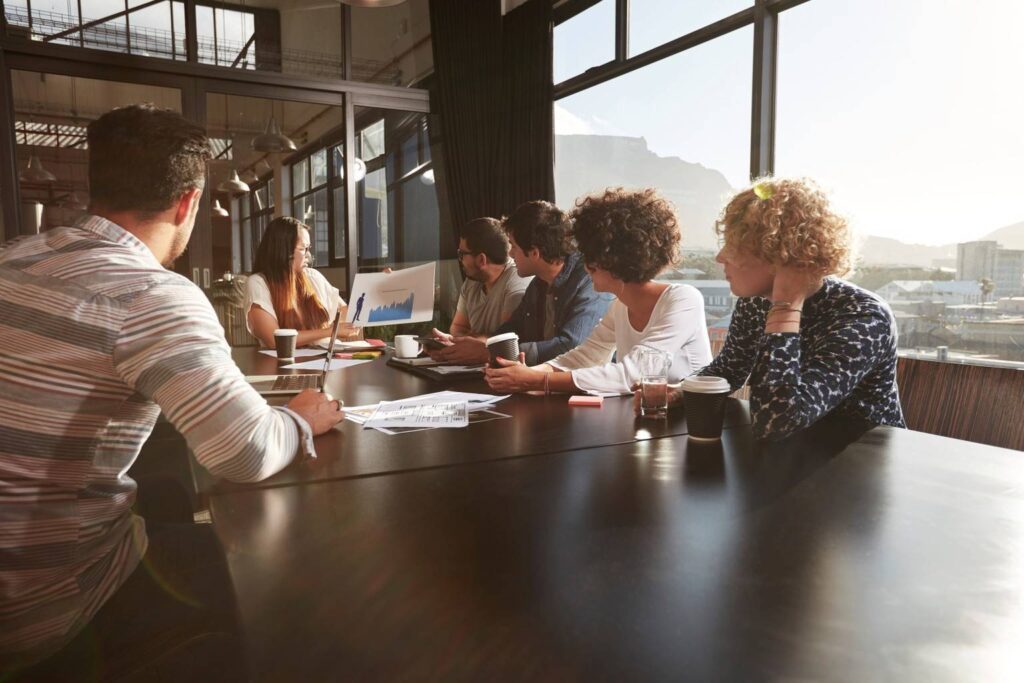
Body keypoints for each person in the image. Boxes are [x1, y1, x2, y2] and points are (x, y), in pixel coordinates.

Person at [0, 104, 343, 680]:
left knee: (169, 498)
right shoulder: (151, 293)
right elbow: (244, 452)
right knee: (293, 579)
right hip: (45, 602)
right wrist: (301, 418)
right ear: (187, 202)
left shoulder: (14, 257)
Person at [635, 177, 906, 440]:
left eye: (735, 246)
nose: (720, 257)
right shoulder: (755, 302)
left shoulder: (864, 317)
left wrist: (786, 307)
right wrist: (682, 392)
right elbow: (731, 368)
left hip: (861, 466)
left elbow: (777, 421)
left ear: (781, 255)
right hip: (796, 457)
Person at [484, 188, 712, 395]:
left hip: (691, 424)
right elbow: (588, 355)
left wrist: (536, 379)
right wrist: (530, 372)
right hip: (647, 421)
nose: (584, 264)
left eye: (591, 255)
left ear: (615, 259)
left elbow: (632, 374)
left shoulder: (683, 299)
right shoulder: (621, 305)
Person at [430, 200, 611, 365]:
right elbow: (511, 331)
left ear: (534, 252)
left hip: (590, 393)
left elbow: (570, 346)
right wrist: (459, 346)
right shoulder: (537, 285)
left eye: (514, 247)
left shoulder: (589, 280)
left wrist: (487, 353)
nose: (510, 254)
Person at [245, 216, 360, 348]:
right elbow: (274, 339)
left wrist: (382, 284)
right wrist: (330, 331)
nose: (309, 255)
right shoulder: (258, 283)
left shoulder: (313, 277)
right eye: (303, 248)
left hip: (328, 359)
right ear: (283, 250)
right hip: (287, 364)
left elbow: (345, 312)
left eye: (308, 248)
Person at [445, 217, 531, 337]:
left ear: (481, 260)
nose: (460, 260)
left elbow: (506, 338)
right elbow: (457, 327)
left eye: (462, 254)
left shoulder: (518, 281)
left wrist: (471, 339)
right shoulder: (472, 281)